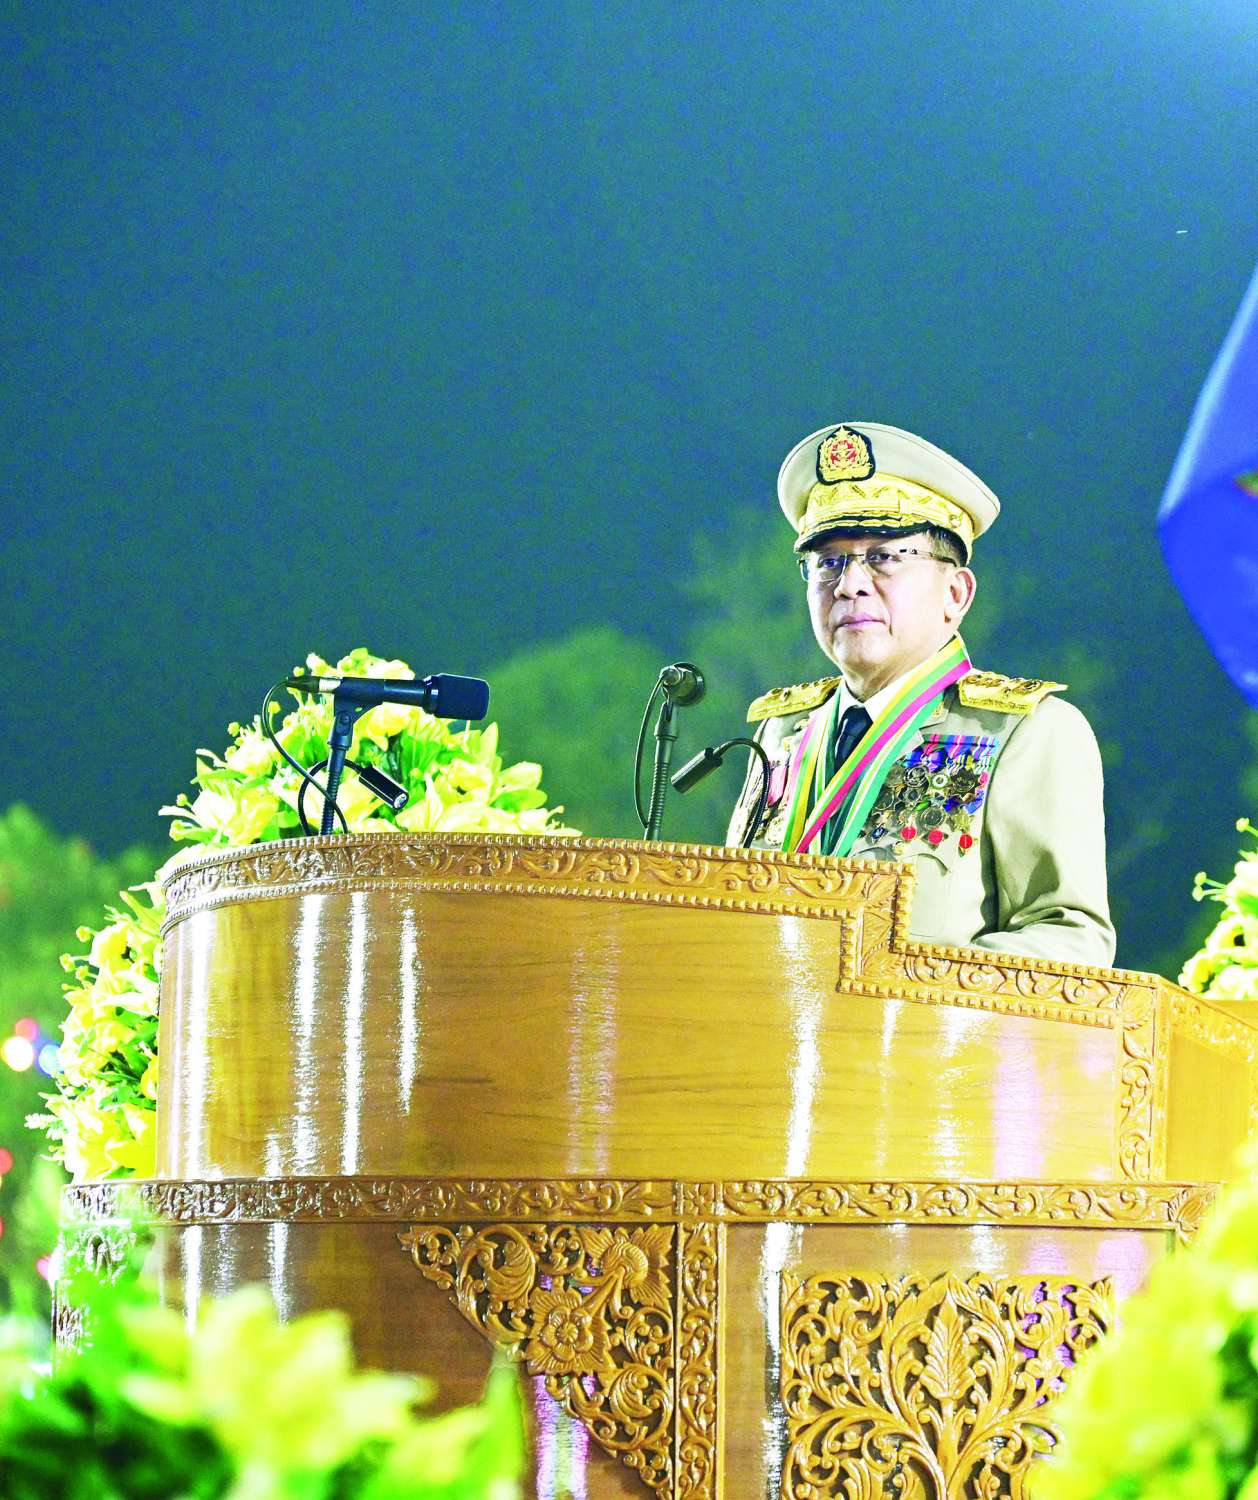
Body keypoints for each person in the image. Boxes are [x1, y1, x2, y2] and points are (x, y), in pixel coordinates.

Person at [727, 421, 1116, 967]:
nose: (849, 584)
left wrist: (900, 988)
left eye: (884, 557)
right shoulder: (782, 733)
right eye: (829, 562)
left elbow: (1070, 939)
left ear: (955, 593)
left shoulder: (1024, 732)